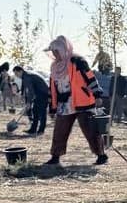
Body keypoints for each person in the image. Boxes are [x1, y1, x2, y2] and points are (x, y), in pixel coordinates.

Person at [45, 36, 108, 167]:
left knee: (91, 130)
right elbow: (52, 88)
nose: (54, 54)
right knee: (59, 131)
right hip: (64, 104)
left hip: (82, 102)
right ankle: (55, 157)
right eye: (52, 52)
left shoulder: (78, 61)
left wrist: (97, 95)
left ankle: (101, 155)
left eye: (56, 51)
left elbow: (90, 77)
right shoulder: (54, 67)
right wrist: (52, 106)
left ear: (63, 49)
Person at [13, 65, 50, 136]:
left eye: (16, 73)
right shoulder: (26, 75)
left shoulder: (27, 76)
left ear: (20, 71)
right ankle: (33, 129)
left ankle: (41, 130)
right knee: (35, 111)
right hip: (39, 93)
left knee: (42, 112)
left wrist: (29, 102)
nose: (16, 76)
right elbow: (27, 90)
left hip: (43, 93)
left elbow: (30, 91)